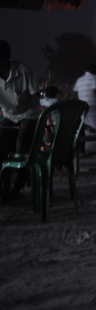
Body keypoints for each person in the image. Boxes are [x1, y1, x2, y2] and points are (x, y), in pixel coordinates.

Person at [0, 39, 41, 203]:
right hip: (9, 115)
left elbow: (36, 94)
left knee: (22, 144)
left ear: (4, 58)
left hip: (28, 114)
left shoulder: (23, 70)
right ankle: (4, 185)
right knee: (2, 147)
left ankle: (18, 185)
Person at [73, 63, 96, 152]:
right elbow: (95, 92)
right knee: (93, 127)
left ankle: (85, 147)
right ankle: (90, 148)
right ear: (95, 70)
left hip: (82, 107)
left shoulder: (79, 80)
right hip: (92, 106)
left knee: (85, 128)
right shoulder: (95, 78)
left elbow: (75, 93)